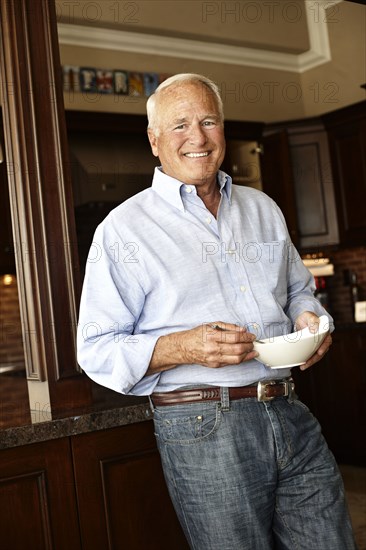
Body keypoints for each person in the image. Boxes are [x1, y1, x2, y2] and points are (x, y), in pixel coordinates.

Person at [77, 73, 356, 550]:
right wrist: (183, 346)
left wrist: (309, 318)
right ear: (154, 141)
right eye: (180, 124)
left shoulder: (263, 208)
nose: (198, 137)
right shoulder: (122, 230)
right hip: (204, 426)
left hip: (289, 408)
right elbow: (96, 349)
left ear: (223, 129)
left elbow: (297, 291)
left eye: (208, 121)